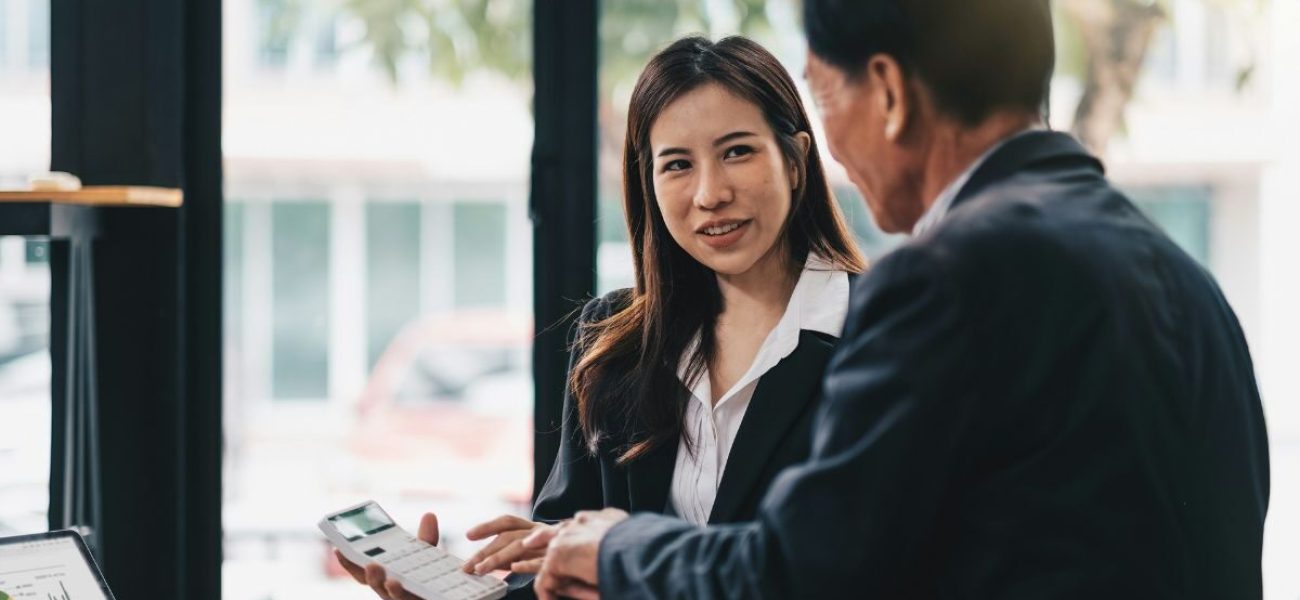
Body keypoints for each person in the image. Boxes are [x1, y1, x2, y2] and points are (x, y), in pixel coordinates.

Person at [525, 1, 1272, 598]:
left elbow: (802, 573)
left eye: (822, 94)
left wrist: (618, 546)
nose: (835, 145)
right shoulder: (1182, 276)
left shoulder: (946, 277)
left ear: (886, 91)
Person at [336, 35, 867, 599]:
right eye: (678, 165)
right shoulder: (616, 343)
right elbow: (561, 574)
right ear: (649, 183)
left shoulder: (880, 335)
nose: (710, 194)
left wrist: (627, 559)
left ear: (795, 159)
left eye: (737, 151)